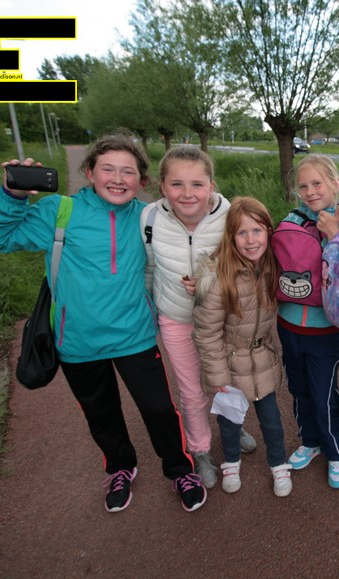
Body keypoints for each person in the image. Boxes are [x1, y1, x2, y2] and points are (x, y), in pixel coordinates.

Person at [0, 131, 206, 513]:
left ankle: (180, 469)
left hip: (134, 335)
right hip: (78, 341)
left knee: (159, 410)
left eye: (128, 172)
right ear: (89, 172)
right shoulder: (60, 212)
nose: (118, 179)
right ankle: (120, 467)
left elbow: (196, 229)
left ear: (142, 181)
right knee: (102, 414)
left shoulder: (149, 217)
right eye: (107, 169)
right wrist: (11, 195)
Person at [141, 146, 257, 491]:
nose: (187, 193)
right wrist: (150, 309)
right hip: (175, 318)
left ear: (211, 186)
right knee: (192, 391)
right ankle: (201, 449)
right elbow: (149, 267)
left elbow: (248, 263)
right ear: (162, 186)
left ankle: (233, 429)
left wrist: (211, 279)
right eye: (177, 184)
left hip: (224, 321)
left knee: (228, 382)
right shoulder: (149, 218)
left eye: (197, 184)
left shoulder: (231, 215)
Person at [192, 197, 293, 497]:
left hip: (263, 358)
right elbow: (207, 332)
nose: (251, 240)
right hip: (230, 360)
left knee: (272, 421)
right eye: (242, 233)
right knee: (230, 421)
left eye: (257, 231)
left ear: (268, 232)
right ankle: (231, 463)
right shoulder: (219, 276)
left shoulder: (273, 265)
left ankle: (279, 464)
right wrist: (218, 375)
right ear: (231, 236)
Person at [273, 154, 339, 489]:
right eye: (303, 186)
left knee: (323, 394)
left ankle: (335, 451)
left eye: (317, 183)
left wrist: (334, 235)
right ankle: (310, 441)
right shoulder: (291, 220)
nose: (310, 191)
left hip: (325, 329)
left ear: (336, 183)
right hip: (289, 324)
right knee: (299, 389)